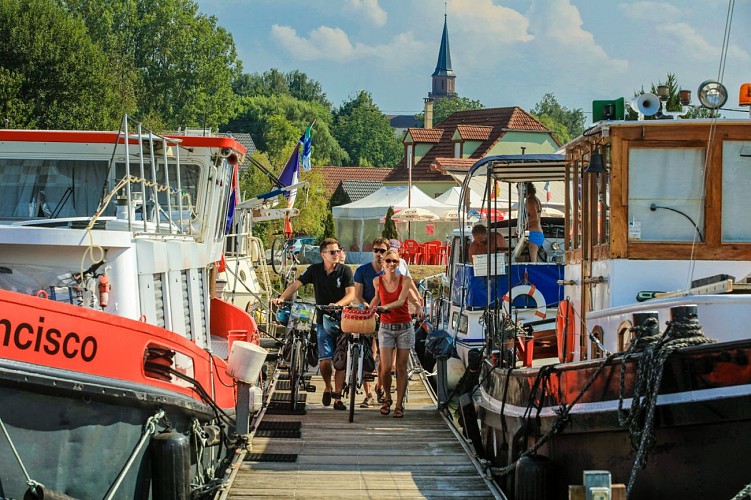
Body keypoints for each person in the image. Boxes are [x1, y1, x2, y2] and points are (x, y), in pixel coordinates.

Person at [272, 238, 355, 410]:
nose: (337, 254)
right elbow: (296, 284)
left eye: (338, 250)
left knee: (340, 361)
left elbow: (351, 294)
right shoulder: (314, 270)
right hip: (321, 320)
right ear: (323, 254)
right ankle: (328, 386)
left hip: (342, 321)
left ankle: (338, 397)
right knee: (324, 361)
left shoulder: (345, 271)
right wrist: (281, 298)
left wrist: (338, 304)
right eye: (333, 252)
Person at [369, 248, 416, 419]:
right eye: (388, 261)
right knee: (385, 367)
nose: (391, 264)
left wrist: (384, 308)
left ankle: (399, 404)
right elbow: (377, 298)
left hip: (404, 326)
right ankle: (387, 398)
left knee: (401, 368)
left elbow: (401, 301)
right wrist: (368, 308)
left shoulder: (406, 280)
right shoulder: (377, 281)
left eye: (394, 261)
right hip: (386, 327)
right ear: (382, 262)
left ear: (399, 263)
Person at [353, 237, 391, 408]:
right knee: (367, 352)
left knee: (385, 356)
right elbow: (358, 295)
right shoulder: (362, 271)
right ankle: (368, 394)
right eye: (376, 250)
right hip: (368, 314)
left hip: (387, 315)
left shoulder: (392, 271)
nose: (378, 254)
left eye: (382, 251)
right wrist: (365, 306)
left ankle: (379, 386)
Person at [524, 182, 544, 262]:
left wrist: (523, 227)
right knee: (530, 258)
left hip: (533, 234)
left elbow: (534, 218)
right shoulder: (536, 200)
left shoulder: (530, 201)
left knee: (533, 261)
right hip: (538, 233)